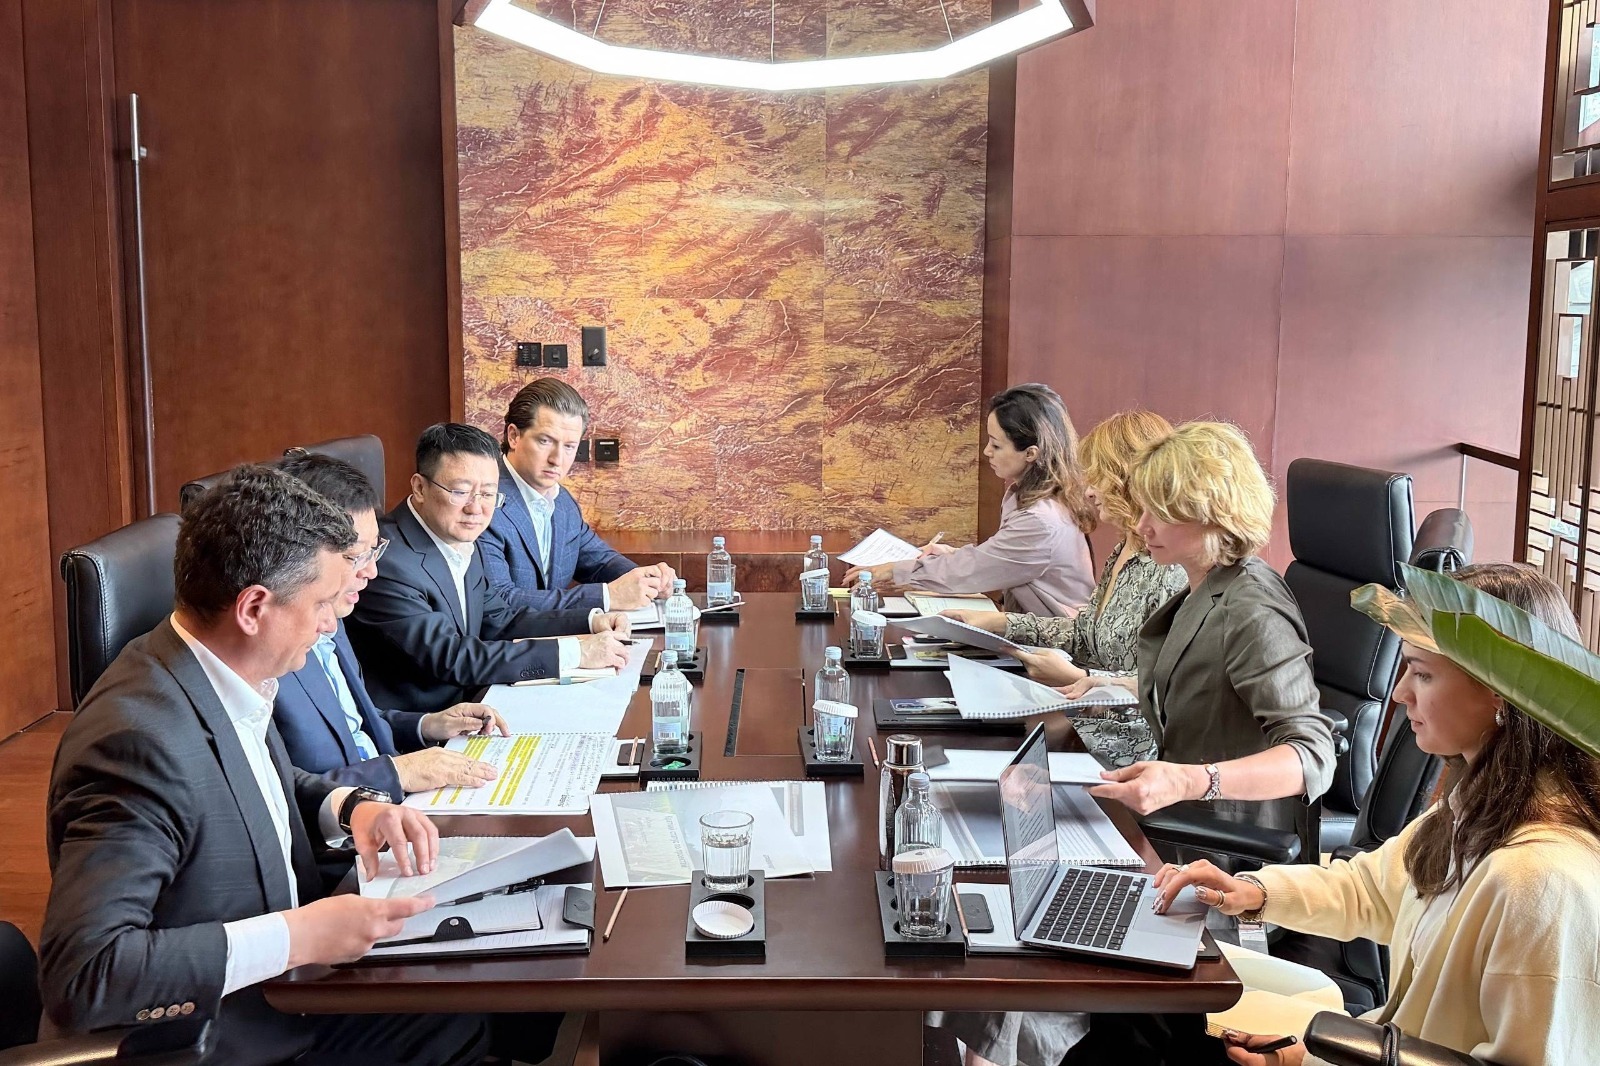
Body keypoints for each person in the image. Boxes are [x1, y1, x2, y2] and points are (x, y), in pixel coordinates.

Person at [38, 465, 520, 1066]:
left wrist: (351, 807)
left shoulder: (218, 667)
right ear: (253, 607)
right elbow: (86, 975)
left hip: (289, 980)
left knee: (475, 985)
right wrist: (296, 937)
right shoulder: (134, 745)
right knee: (459, 1015)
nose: (330, 623)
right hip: (230, 1031)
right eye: (321, 603)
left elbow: (253, 782)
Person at [1143, 563, 1600, 1066]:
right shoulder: (1477, 805)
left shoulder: (1539, 880)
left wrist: (1305, 1062)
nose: (1400, 694)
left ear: (1502, 690)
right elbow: (1372, 890)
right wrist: (1252, 892)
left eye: (1422, 673)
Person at [1083, 421, 1336, 844]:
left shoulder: (1251, 607)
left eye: (1159, 514)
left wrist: (1187, 782)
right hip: (1179, 817)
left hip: (1222, 839)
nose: (1142, 526)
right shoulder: (1205, 585)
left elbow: (1312, 756)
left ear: (1212, 515)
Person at [943, 410, 1188, 768]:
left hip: (1127, 738)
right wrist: (998, 623)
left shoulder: (1170, 569)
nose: (1088, 491)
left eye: (1098, 479)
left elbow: (1170, 687)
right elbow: (1085, 633)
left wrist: (1080, 678)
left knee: (987, 740)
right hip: (1085, 706)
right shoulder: (1126, 548)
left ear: (1128, 480)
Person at [347, 423, 632, 715]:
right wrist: (576, 652)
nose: (476, 509)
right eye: (460, 492)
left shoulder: (459, 534)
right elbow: (451, 657)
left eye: (488, 494)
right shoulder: (387, 561)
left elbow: (499, 620)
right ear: (420, 487)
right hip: (421, 724)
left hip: (477, 704)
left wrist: (590, 621)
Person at [274, 451, 509, 798]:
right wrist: (397, 773)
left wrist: (428, 724)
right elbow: (282, 793)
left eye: (374, 551)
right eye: (355, 557)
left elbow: (355, 722)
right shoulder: (271, 653)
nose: (370, 571)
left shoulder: (335, 614)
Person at [842, 383, 1097, 617]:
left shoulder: (1039, 520)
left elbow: (972, 570)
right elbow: (998, 561)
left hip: (1054, 641)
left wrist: (894, 569)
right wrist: (952, 555)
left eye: (996, 445)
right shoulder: (1035, 498)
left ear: (1030, 453)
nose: (987, 452)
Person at [479, 377, 676, 611]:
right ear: (514, 436)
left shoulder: (562, 501)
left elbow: (599, 561)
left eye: (569, 446)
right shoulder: (482, 500)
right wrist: (606, 597)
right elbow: (500, 600)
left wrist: (648, 580)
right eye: (545, 441)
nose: (557, 459)